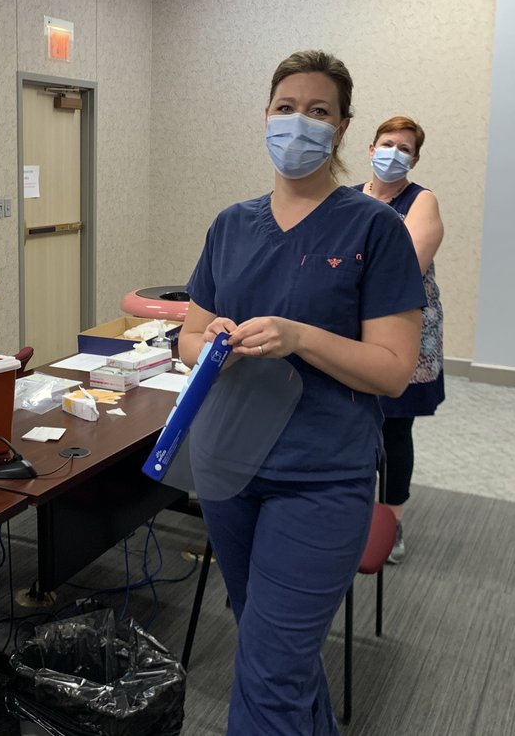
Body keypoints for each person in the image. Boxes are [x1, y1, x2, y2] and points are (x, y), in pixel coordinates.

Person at [180, 50, 425, 734]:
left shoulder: (375, 229)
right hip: (229, 469)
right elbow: (188, 339)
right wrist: (213, 343)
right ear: (266, 115)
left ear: (342, 128)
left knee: (268, 672)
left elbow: (392, 369)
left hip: (318, 476)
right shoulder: (231, 224)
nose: (298, 123)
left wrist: (300, 337)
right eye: (286, 107)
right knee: (270, 645)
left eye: (318, 111)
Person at [354, 115, 445, 563]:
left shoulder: (421, 201)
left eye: (404, 148)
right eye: (387, 144)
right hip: (350, 331)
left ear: (415, 159)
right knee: (351, 422)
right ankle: (351, 512)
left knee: (394, 428)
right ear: (371, 149)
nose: (394, 153)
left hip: (404, 333)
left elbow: (403, 269)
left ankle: (391, 522)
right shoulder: (347, 198)